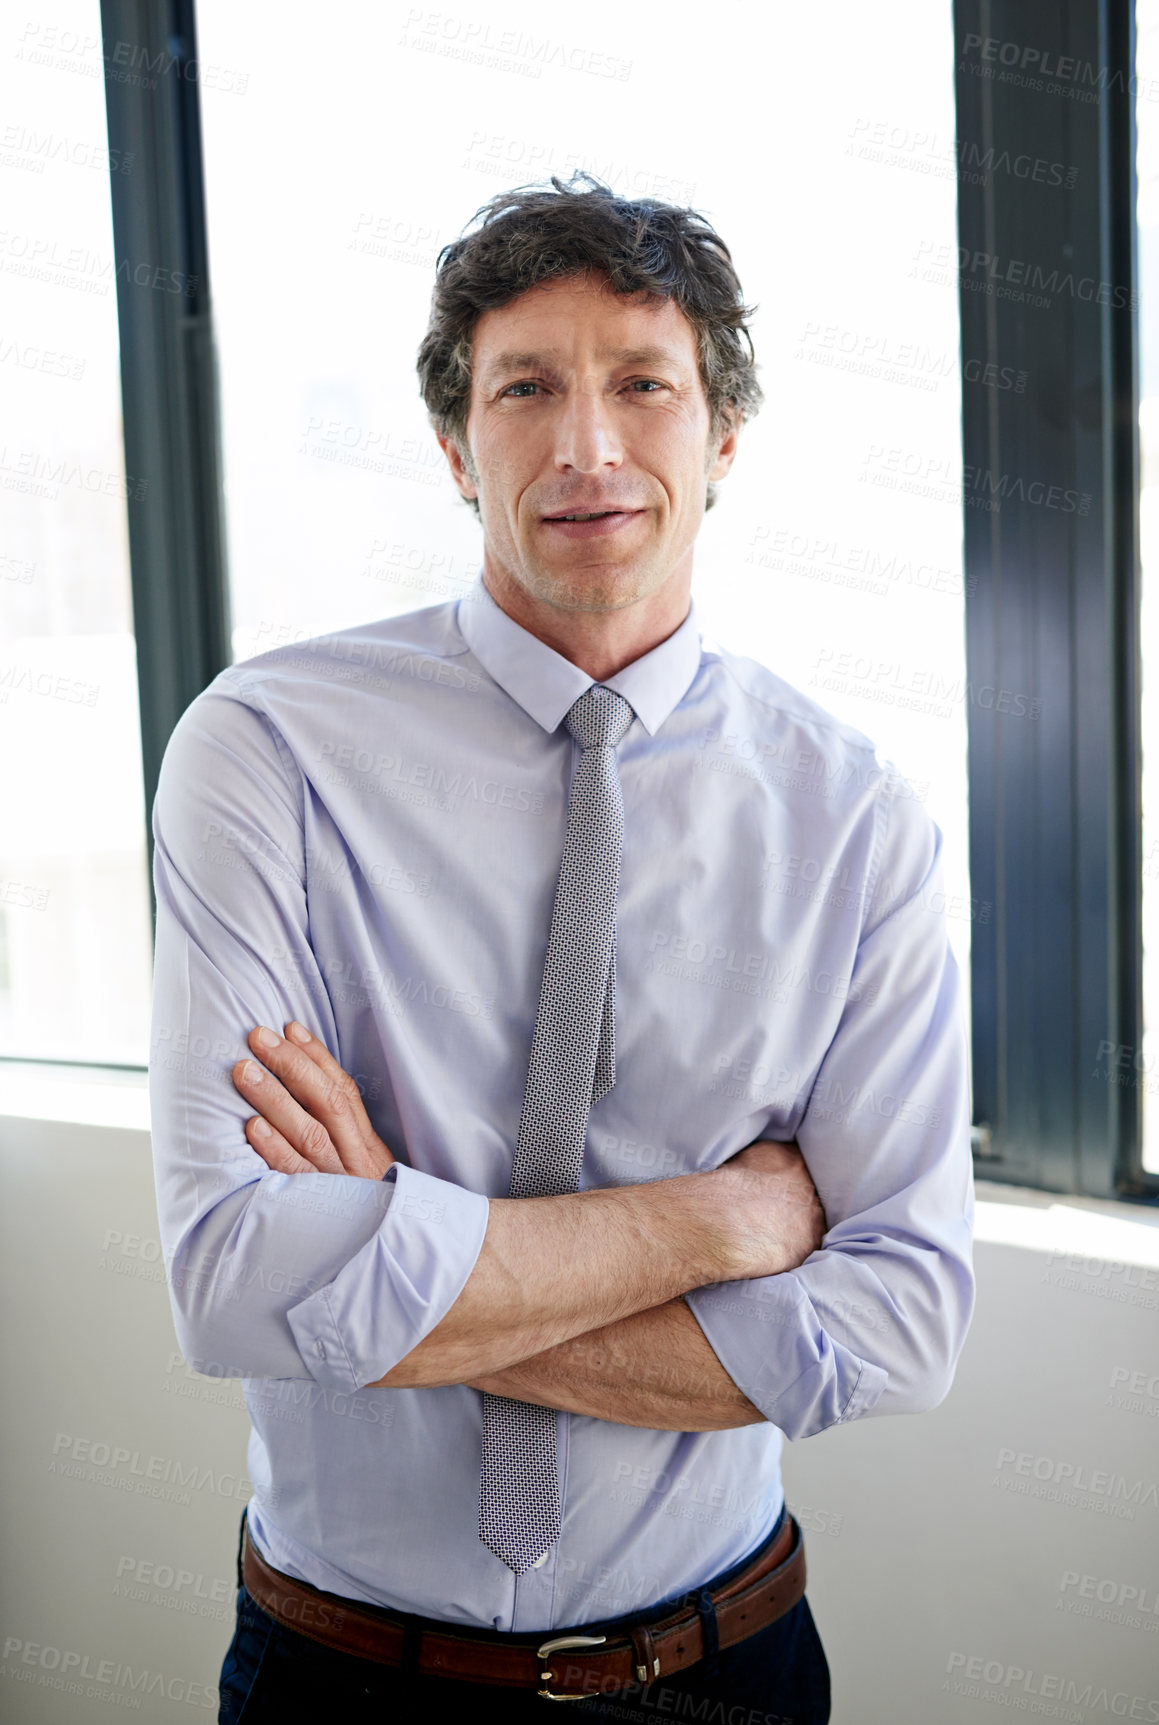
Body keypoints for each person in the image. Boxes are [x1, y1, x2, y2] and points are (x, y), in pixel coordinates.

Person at [148, 174, 975, 1723]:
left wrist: (391, 1261)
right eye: (526, 388)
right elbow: (235, 1281)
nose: (587, 445)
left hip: (727, 1667)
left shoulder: (855, 818)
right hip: (345, 1677)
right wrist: (724, 1219)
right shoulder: (266, 751)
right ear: (457, 450)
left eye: (642, 383)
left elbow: (905, 1316)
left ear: (722, 438)